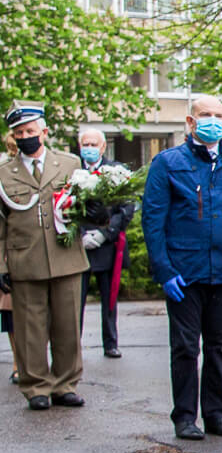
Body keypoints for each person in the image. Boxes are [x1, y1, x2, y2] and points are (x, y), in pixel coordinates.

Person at [142, 94, 222, 441]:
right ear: (190, 121)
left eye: (219, 115)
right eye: (205, 114)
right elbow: (153, 221)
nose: (213, 120)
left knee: (218, 346)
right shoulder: (168, 163)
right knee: (185, 348)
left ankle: (216, 414)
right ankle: (184, 417)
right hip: (185, 272)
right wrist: (165, 270)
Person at [0, 106, 88, 409]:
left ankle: (65, 384)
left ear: (44, 132)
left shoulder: (69, 163)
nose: (25, 137)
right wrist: (1, 265)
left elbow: (83, 205)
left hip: (66, 256)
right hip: (24, 260)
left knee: (67, 326)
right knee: (29, 329)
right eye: (19, 133)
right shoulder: (4, 173)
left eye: (30, 131)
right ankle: (36, 386)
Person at [75, 128, 133, 359]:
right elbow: (64, 207)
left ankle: (110, 343)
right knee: (74, 301)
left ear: (102, 147)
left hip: (108, 245)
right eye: (85, 144)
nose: (89, 148)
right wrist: (80, 234)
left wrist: (105, 233)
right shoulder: (73, 171)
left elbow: (126, 208)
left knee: (109, 299)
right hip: (79, 246)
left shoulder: (117, 171)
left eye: (93, 144)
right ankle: (73, 345)